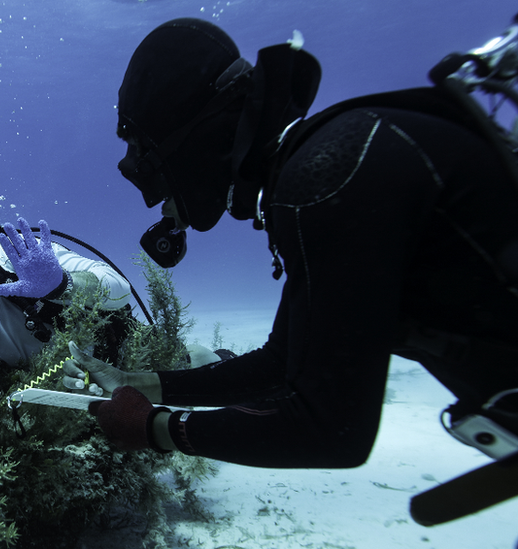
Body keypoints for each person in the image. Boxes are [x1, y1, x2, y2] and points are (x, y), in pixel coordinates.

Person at [69, 17, 518, 522]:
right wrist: (140, 381)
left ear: (191, 138)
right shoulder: (327, 167)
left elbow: (333, 430)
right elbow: (280, 365)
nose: (155, 195)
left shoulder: (325, 179)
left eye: (147, 159)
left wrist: (156, 429)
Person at [0, 217, 219, 452]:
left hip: (118, 353)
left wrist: (61, 283)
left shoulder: (14, 258)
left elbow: (119, 288)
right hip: (69, 407)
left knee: (198, 363)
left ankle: (235, 372)